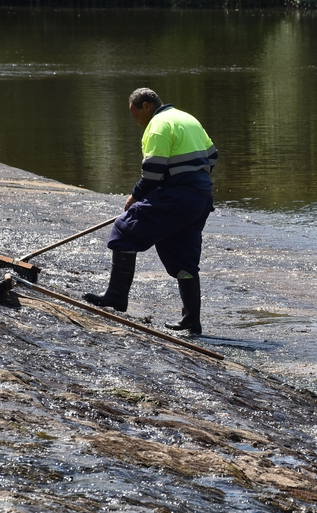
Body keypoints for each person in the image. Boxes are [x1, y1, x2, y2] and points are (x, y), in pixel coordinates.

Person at [83, 88, 218, 334]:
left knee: (124, 230)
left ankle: (116, 297)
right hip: (200, 200)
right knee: (184, 258)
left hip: (176, 198)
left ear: (146, 106)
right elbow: (212, 156)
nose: (136, 121)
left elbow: (153, 172)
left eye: (136, 115)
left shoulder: (158, 125)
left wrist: (135, 196)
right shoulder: (188, 119)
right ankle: (192, 321)